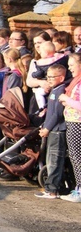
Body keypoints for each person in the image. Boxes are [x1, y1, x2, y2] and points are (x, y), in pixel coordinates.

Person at [35, 63, 69, 199]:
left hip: (57, 130)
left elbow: (57, 114)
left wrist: (47, 128)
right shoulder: (54, 90)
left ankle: (52, 189)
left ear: (61, 78)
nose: (48, 79)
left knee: (54, 160)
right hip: (52, 129)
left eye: (52, 77)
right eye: (47, 77)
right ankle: (53, 187)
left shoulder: (60, 91)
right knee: (50, 159)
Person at [58, 53, 81, 202]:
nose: (70, 68)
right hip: (73, 121)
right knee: (74, 156)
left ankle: (79, 190)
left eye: (72, 65)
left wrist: (67, 99)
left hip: (77, 123)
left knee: (77, 157)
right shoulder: (76, 81)